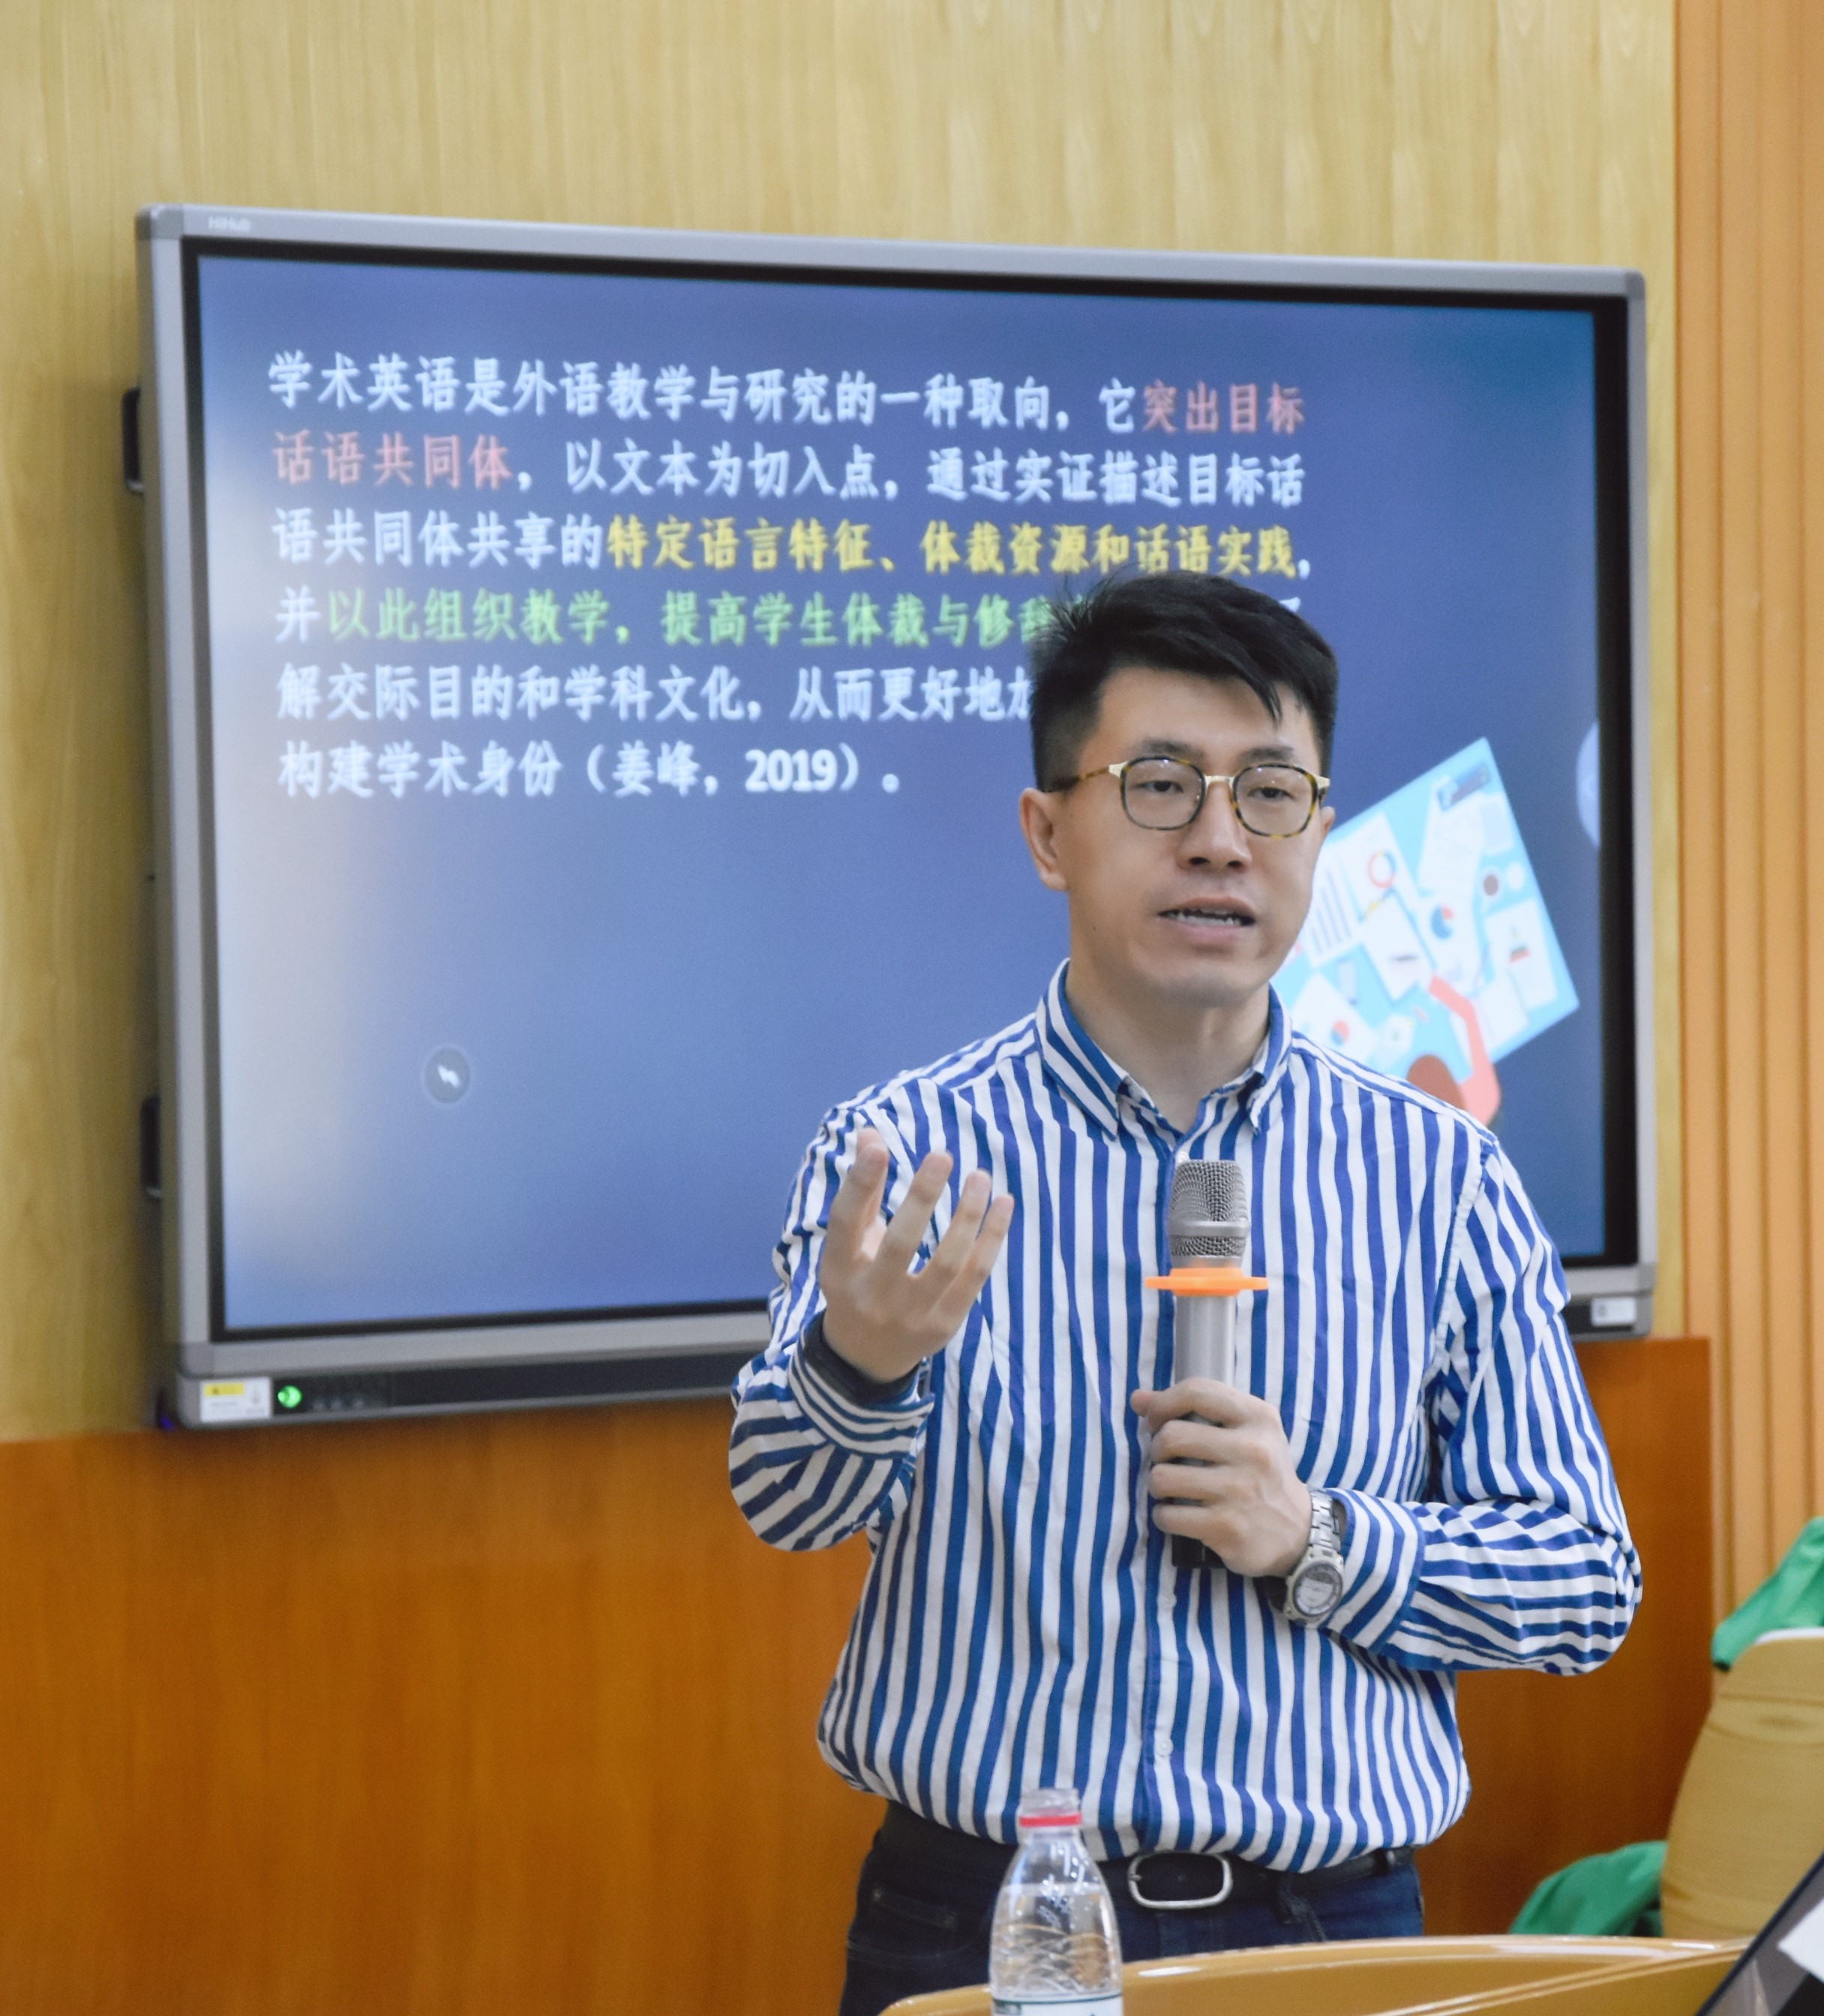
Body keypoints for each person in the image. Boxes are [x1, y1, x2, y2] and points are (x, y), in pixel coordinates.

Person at [728, 572, 1640, 2015]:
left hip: (1331, 1929)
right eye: (1159, 785)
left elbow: (1584, 1583)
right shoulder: (905, 1155)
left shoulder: (1439, 1176)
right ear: (1048, 832)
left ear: (1319, 831)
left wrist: (1320, 1536)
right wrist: (860, 1369)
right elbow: (786, 1503)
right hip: (987, 1917)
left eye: (1271, 792)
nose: (1221, 839)